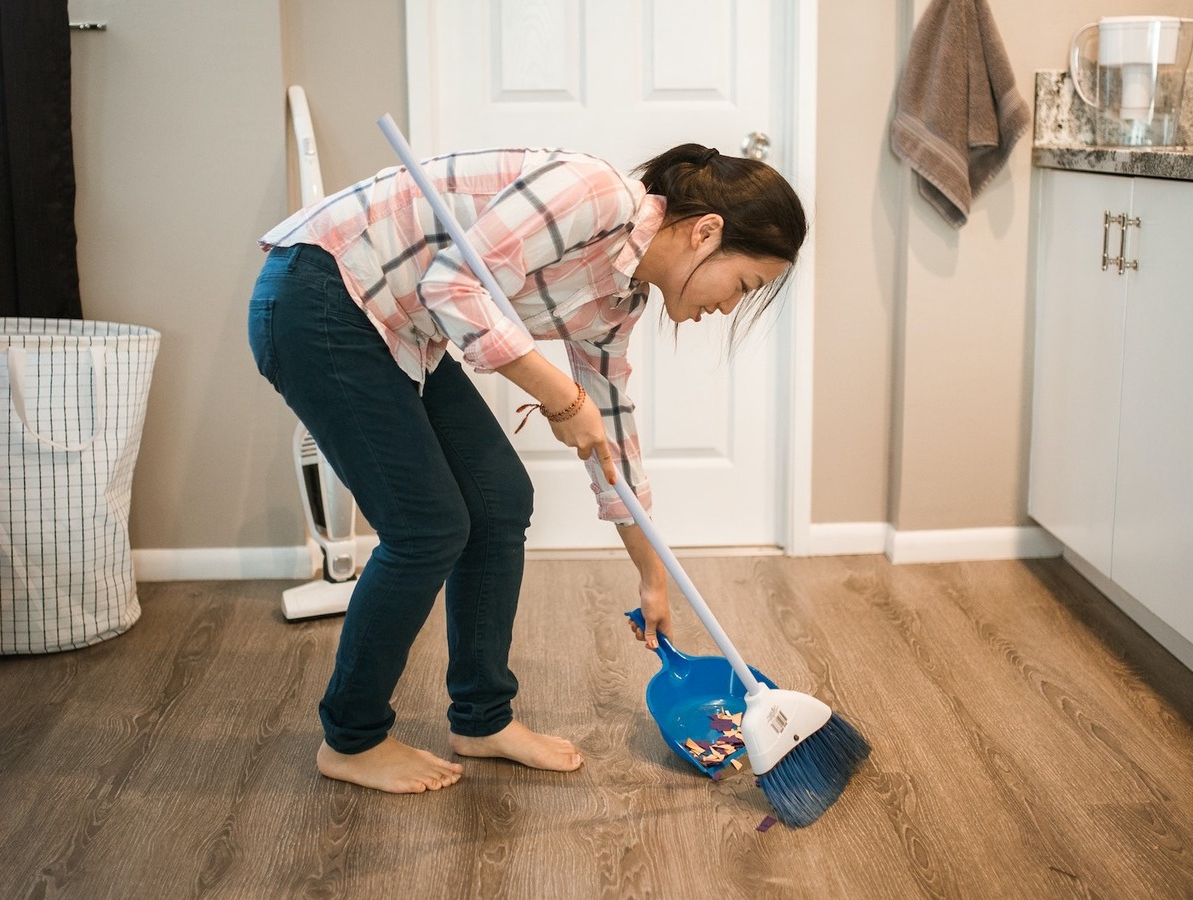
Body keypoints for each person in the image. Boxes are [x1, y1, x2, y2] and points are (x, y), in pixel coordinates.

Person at [248, 142, 807, 794]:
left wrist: (652, 576)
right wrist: (560, 395)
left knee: (499, 502)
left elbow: (612, 438)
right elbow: (450, 284)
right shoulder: (594, 193)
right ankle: (352, 737)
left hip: (398, 327)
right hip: (322, 293)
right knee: (426, 529)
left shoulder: (617, 302)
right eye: (743, 285)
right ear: (706, 231)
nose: (730, 306)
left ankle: (480, 720)